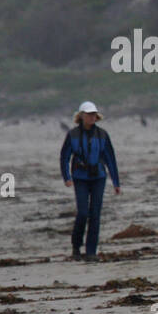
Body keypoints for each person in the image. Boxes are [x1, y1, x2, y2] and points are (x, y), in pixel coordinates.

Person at [59, 101, 121, 262]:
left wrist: (116, 182)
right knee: (83, 213)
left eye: (94, 114)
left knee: (95, 214)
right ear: (81, 116)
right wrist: (67, 177)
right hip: (80, 178)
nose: (92, 117)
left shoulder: (102, 134)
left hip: (99, 177)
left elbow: (110, 158)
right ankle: (76, 246)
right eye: (88, 114)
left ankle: (91, 251)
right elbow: (65, 157)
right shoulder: (72, 135)